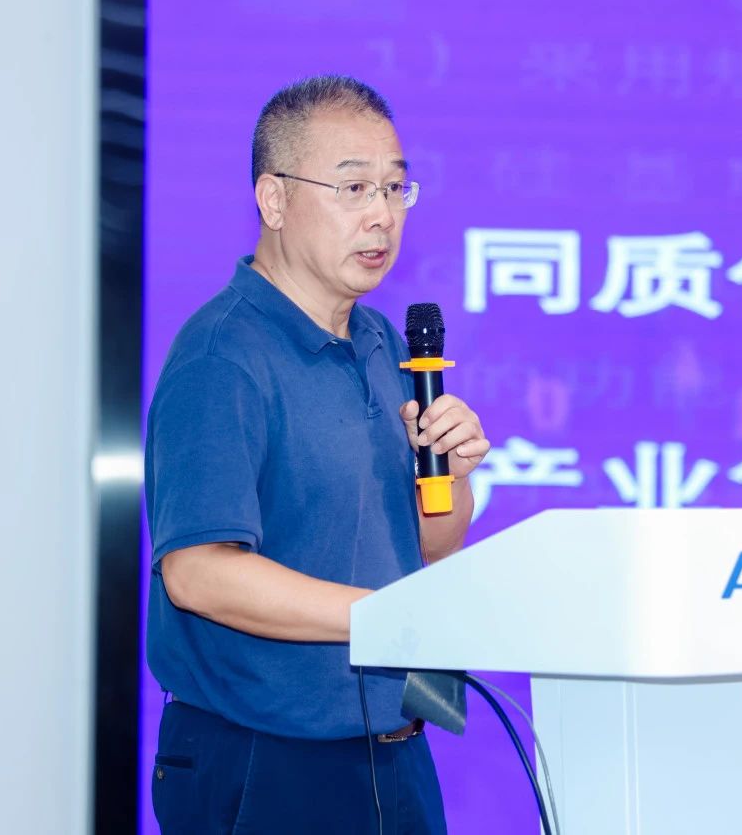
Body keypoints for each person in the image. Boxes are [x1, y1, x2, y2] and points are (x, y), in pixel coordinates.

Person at [144, 75, 487, 834]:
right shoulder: (222, 355)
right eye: (354, 187)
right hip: (266, 763)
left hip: (394, 750)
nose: (382, 215)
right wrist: (384, 617)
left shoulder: (384, 344)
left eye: (395, 188)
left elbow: (423, 549)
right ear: (273, 199)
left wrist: (453, 480)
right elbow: (198, 572)